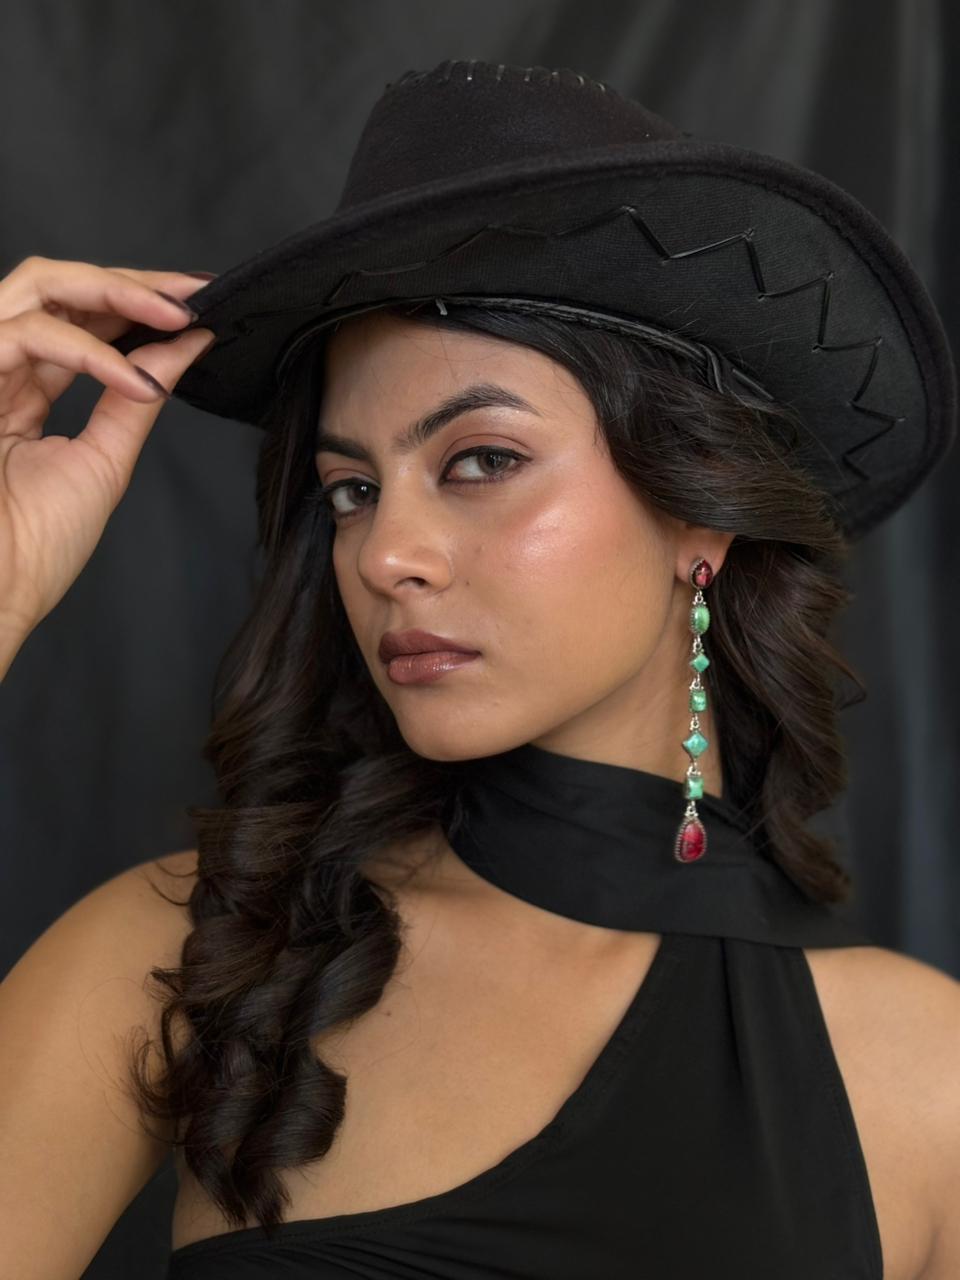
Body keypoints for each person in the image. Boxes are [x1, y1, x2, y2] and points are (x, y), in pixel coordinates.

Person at [1, 56, 958, 1280]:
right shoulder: (193, 957)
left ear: (700, 510)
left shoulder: (926, 1078)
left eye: (481, 460)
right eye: (351, 489)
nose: (385, 553)